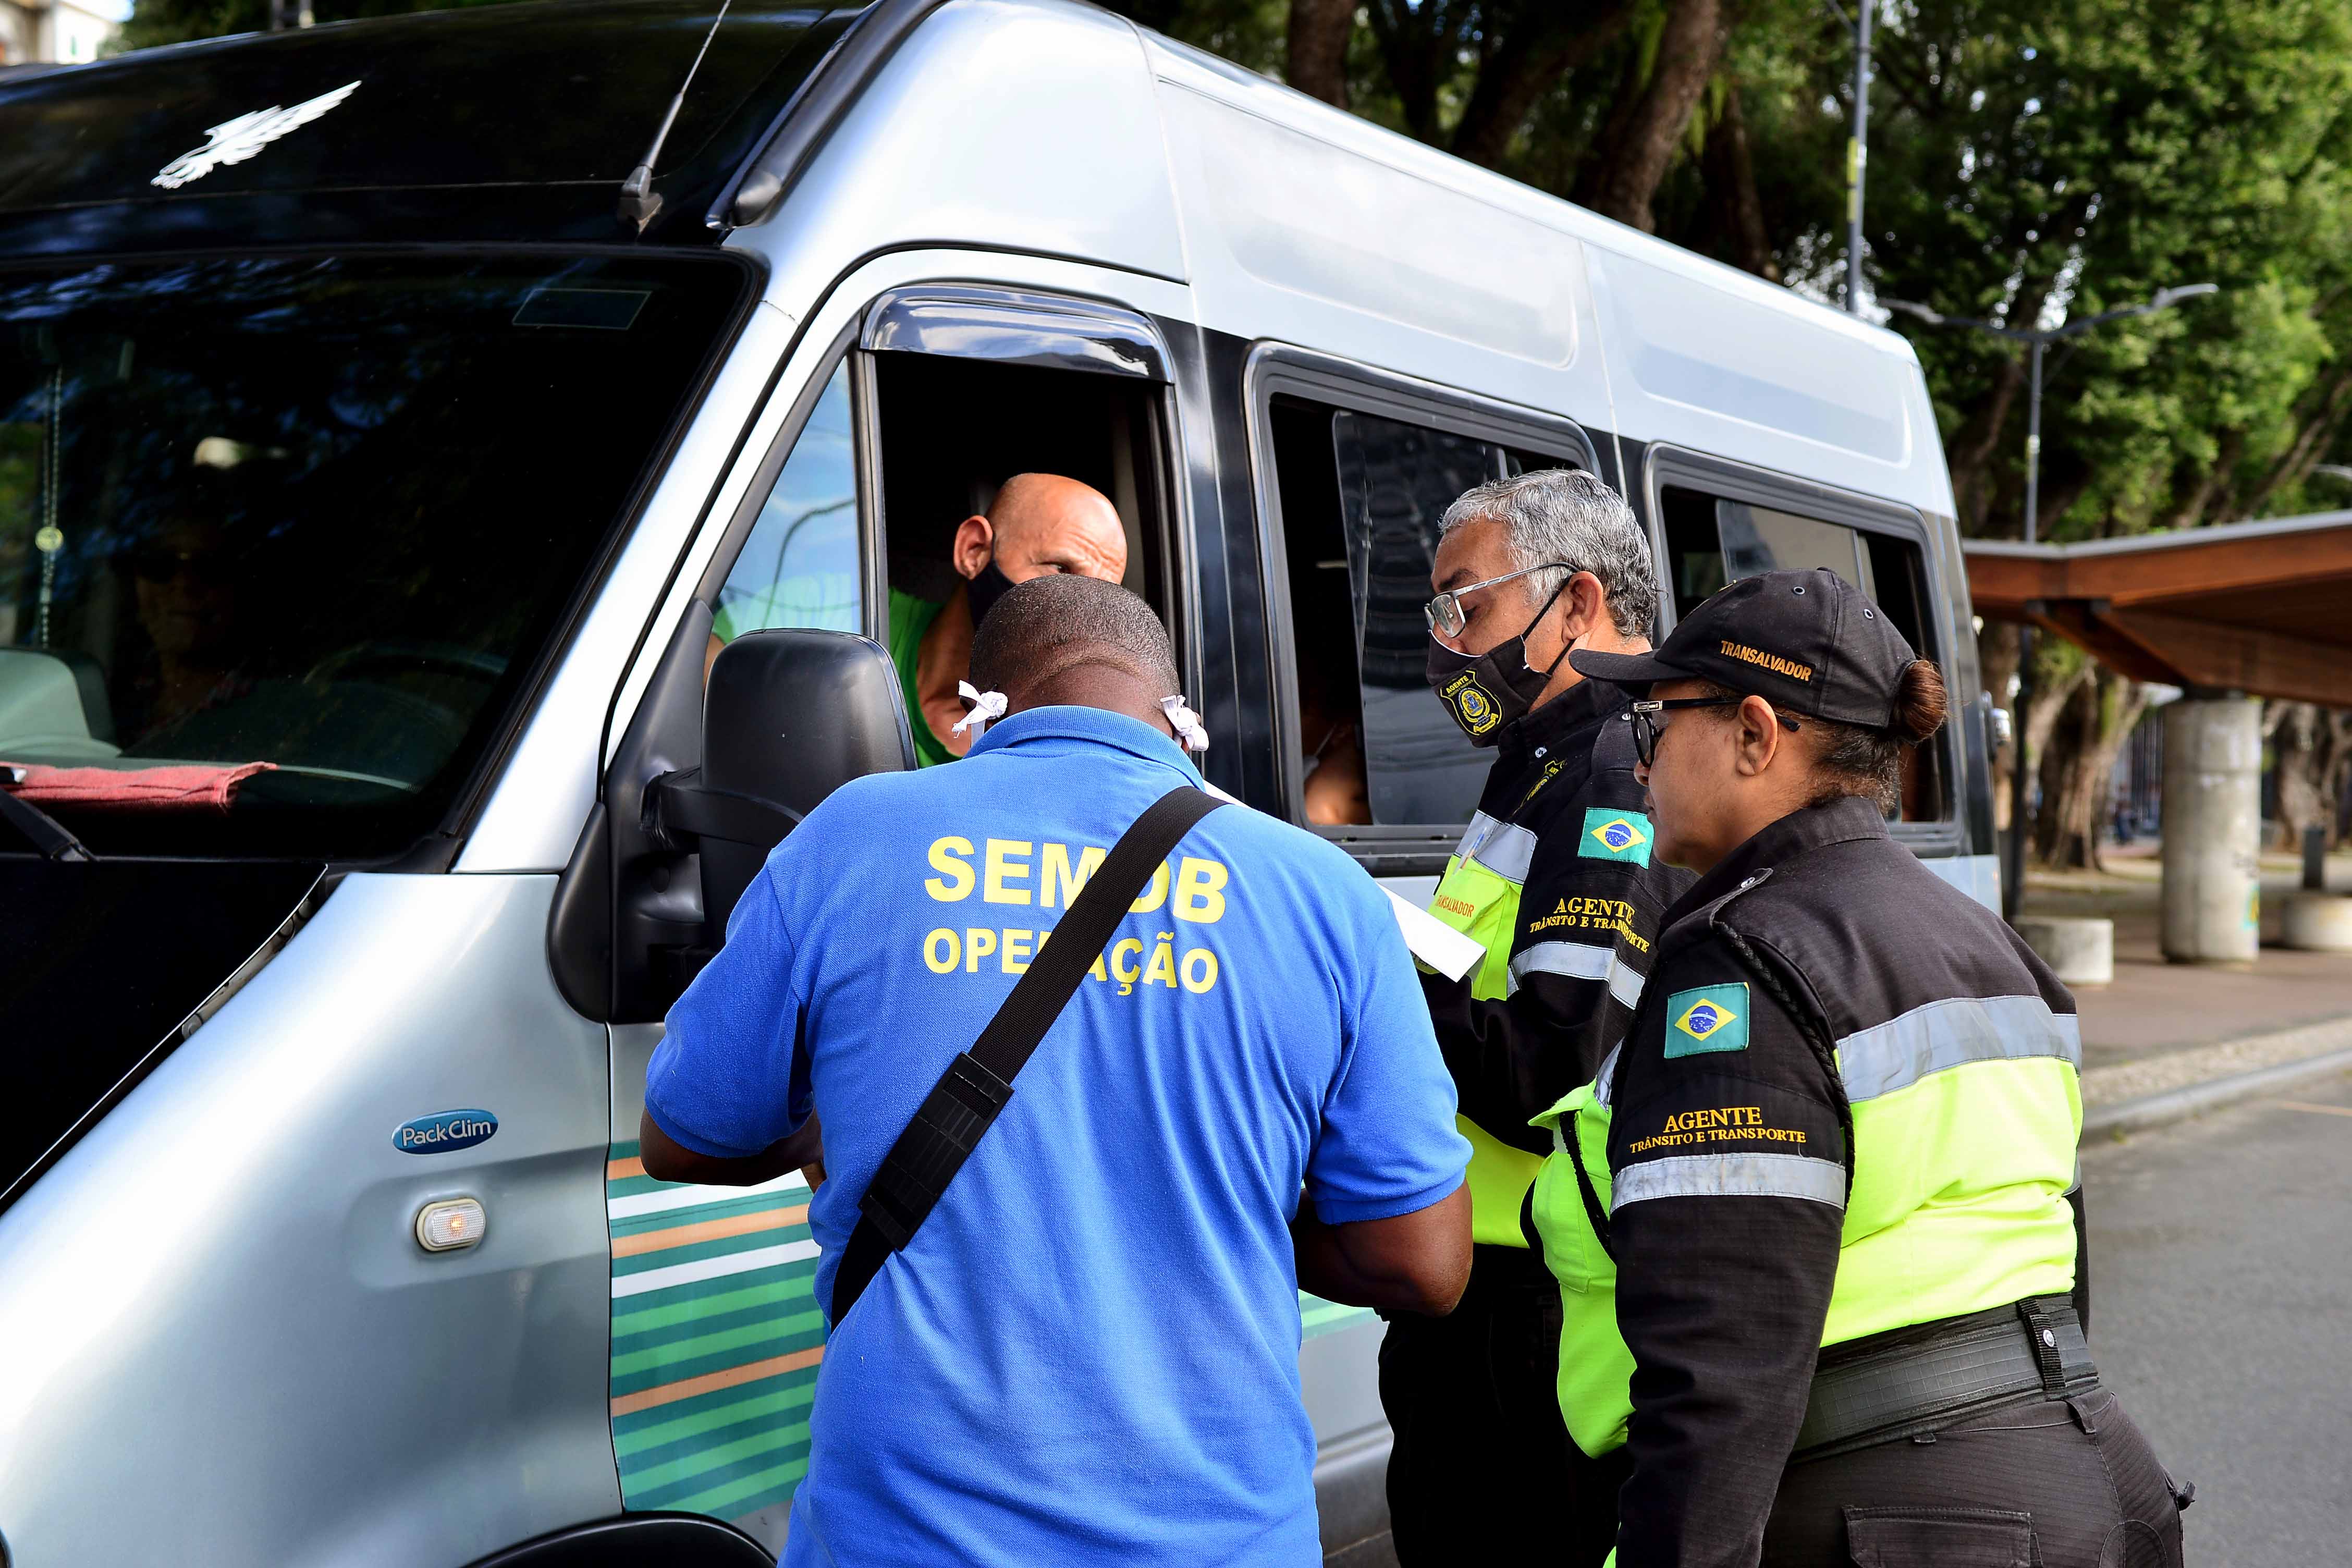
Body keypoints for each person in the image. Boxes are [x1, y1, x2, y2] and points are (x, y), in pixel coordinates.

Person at [639, 573, 1473, 1568]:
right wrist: (1215, 1190)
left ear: (980, 709)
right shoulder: (1324, 892)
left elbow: (681, 1134)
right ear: (1178, 719)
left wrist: (834, 1126)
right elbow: (1424, 1264)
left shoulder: (850, 836)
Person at [1527, 567, 2185, 1567]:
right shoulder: (1995, 948)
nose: (1639, 758)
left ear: (1755, 733)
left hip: (1889, 1514)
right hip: (2087, 1485)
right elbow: (2061, 1257)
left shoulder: (1741, 960)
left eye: (1657, 722)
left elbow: (1721, 1356)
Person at [1385, 468, 1696, 1567]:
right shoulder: (1536, 767)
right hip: (1477, 1294)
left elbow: (1545, 1067)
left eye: (1467, 603)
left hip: (1537, 1312)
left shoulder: (1611, 778)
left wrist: (1380, 967)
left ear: (1576, 603)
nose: (1448, 642)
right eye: (1436, 613)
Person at [890, 471, 1129, 765]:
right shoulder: (845, 610)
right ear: (974, 550)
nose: (1081, 612)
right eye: (1061, 570)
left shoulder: (1059, 749)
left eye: (1101, 597)